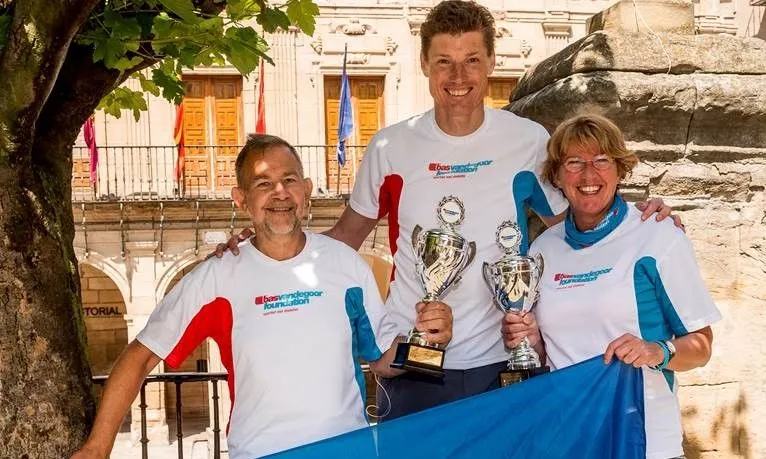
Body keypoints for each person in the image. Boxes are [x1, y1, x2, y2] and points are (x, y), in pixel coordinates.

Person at [214, 0, 680, 420]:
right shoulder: (391, 145)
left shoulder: (528, 142)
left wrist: (638, 218)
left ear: (492, 63)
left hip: (505, 359)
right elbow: (343, 239)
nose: (459, 78)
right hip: (414, 361)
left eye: (471, 61)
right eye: (445, 63)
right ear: (424, 66)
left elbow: (580, 227)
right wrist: (262, 245)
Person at [71, 135, 453, 459]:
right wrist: (96, 448)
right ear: (241, 198)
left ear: (306, 190)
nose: (280, 193)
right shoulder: (217, 277)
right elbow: (139, 357)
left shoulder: (345, 265)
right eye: (263, 183)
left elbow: (384, 361)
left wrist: (429, 344)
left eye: (289, 180)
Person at [502, 114, 720, 459]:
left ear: (620, 170)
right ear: (556, 177)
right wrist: (529, 339)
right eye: (574, 163)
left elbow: (702, 346)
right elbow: (549, 354)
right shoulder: (543, 250)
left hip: (646, 442)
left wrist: (658, 351)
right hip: (570, 441)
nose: (589, 175)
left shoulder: (658, 234)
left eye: (602, 161)